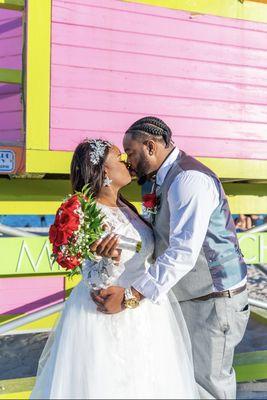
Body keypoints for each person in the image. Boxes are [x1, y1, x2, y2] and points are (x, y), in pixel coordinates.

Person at [92, 117, 250, 400]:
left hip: (213, 300)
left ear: (151, 147)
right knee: (183, 383)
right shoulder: (157, 181)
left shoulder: (189, 180)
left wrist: (132, 294)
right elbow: (155, 239)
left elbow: (182, 251)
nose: (129, 161)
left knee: (208, 387)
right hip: (187, 299)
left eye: (132, 153)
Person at [30, 138, 199, 399]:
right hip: (111, 315)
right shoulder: (86, 212)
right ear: (105, 171)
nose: (126, 162)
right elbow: (94, 281)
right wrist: (108, 260)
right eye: (119, 158)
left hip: (144, 309)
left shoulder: (125, 207)